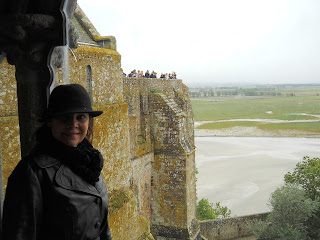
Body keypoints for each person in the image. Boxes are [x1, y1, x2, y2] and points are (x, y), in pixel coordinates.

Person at [2, 84, 112, 240]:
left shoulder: (89, 162)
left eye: (80, 117)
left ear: (89, 122)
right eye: (64, 117)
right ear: (50, 121)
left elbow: (102, 228)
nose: (73, 124)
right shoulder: (32, 173)